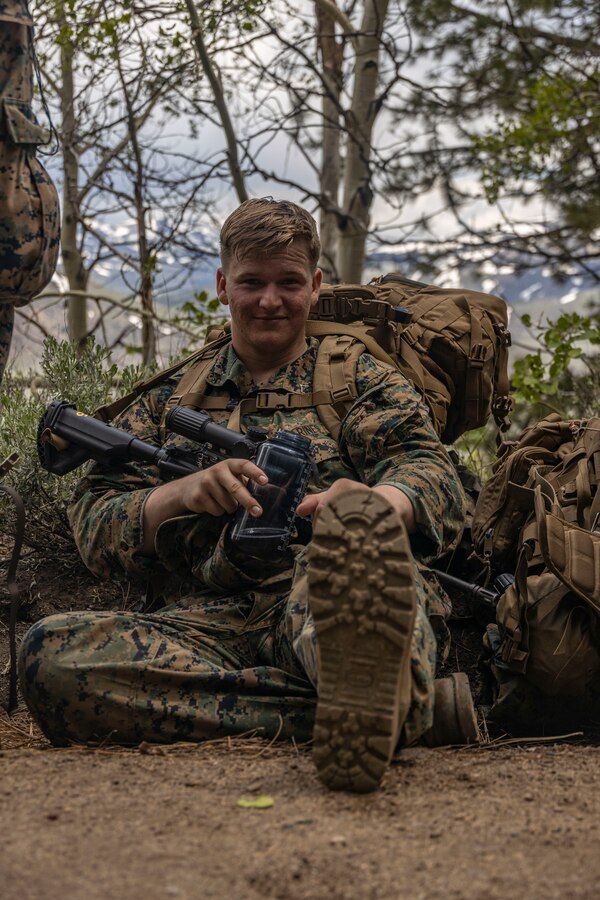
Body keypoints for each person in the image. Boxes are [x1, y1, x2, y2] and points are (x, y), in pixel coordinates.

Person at [18, 198, 470, 792]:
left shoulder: (357, 378)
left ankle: (363, 688)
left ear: (314, 285)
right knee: (52, 656)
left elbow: (429, 471)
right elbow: (96, 519)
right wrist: (181, 494)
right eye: (252, 283)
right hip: (212, 621)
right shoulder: (175, 398)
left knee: (352, 593)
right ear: (223, 285)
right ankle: (397, 709)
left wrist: (370, 505)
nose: (269, 301)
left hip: (328, 585)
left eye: (288, 283)